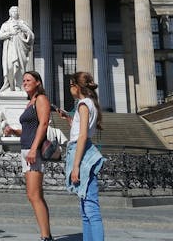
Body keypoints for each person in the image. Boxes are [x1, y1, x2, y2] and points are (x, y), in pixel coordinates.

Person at [3, 71, 53, 241]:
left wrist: (33, 149)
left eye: (28, 80)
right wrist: (14, 131)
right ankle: (46, 235)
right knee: (35, 195)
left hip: (34, 151)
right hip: (27, 149)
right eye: (23, 80)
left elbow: (44, 123)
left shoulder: (41, 99)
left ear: (38, 82)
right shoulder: (29, 102)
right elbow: (30, 129)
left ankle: (46, 237)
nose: (24, 82)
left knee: (34, 195)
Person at [58, 71, 105, 241]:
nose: (69, 88)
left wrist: (76, 166)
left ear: (77, 86)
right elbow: (80, 129)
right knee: (85, 208)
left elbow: (82, 136)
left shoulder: (83, 104)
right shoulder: (89, 103)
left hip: (82, 153)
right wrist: (68, 120)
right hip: (83, 149)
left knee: (91, 209)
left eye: (71, 85)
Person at [0, 6, 35, 93]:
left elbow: (31, 35)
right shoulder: (5, 24)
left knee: (20, 68)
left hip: (20, 47)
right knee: (10, 67)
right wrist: (10, 33)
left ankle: (18, 85)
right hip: (10, 48)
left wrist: (21, 28)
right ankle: (10, 86)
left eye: (16, 11)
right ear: (10, 13)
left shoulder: (22, 23)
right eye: (13, 11)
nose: (15, 13)